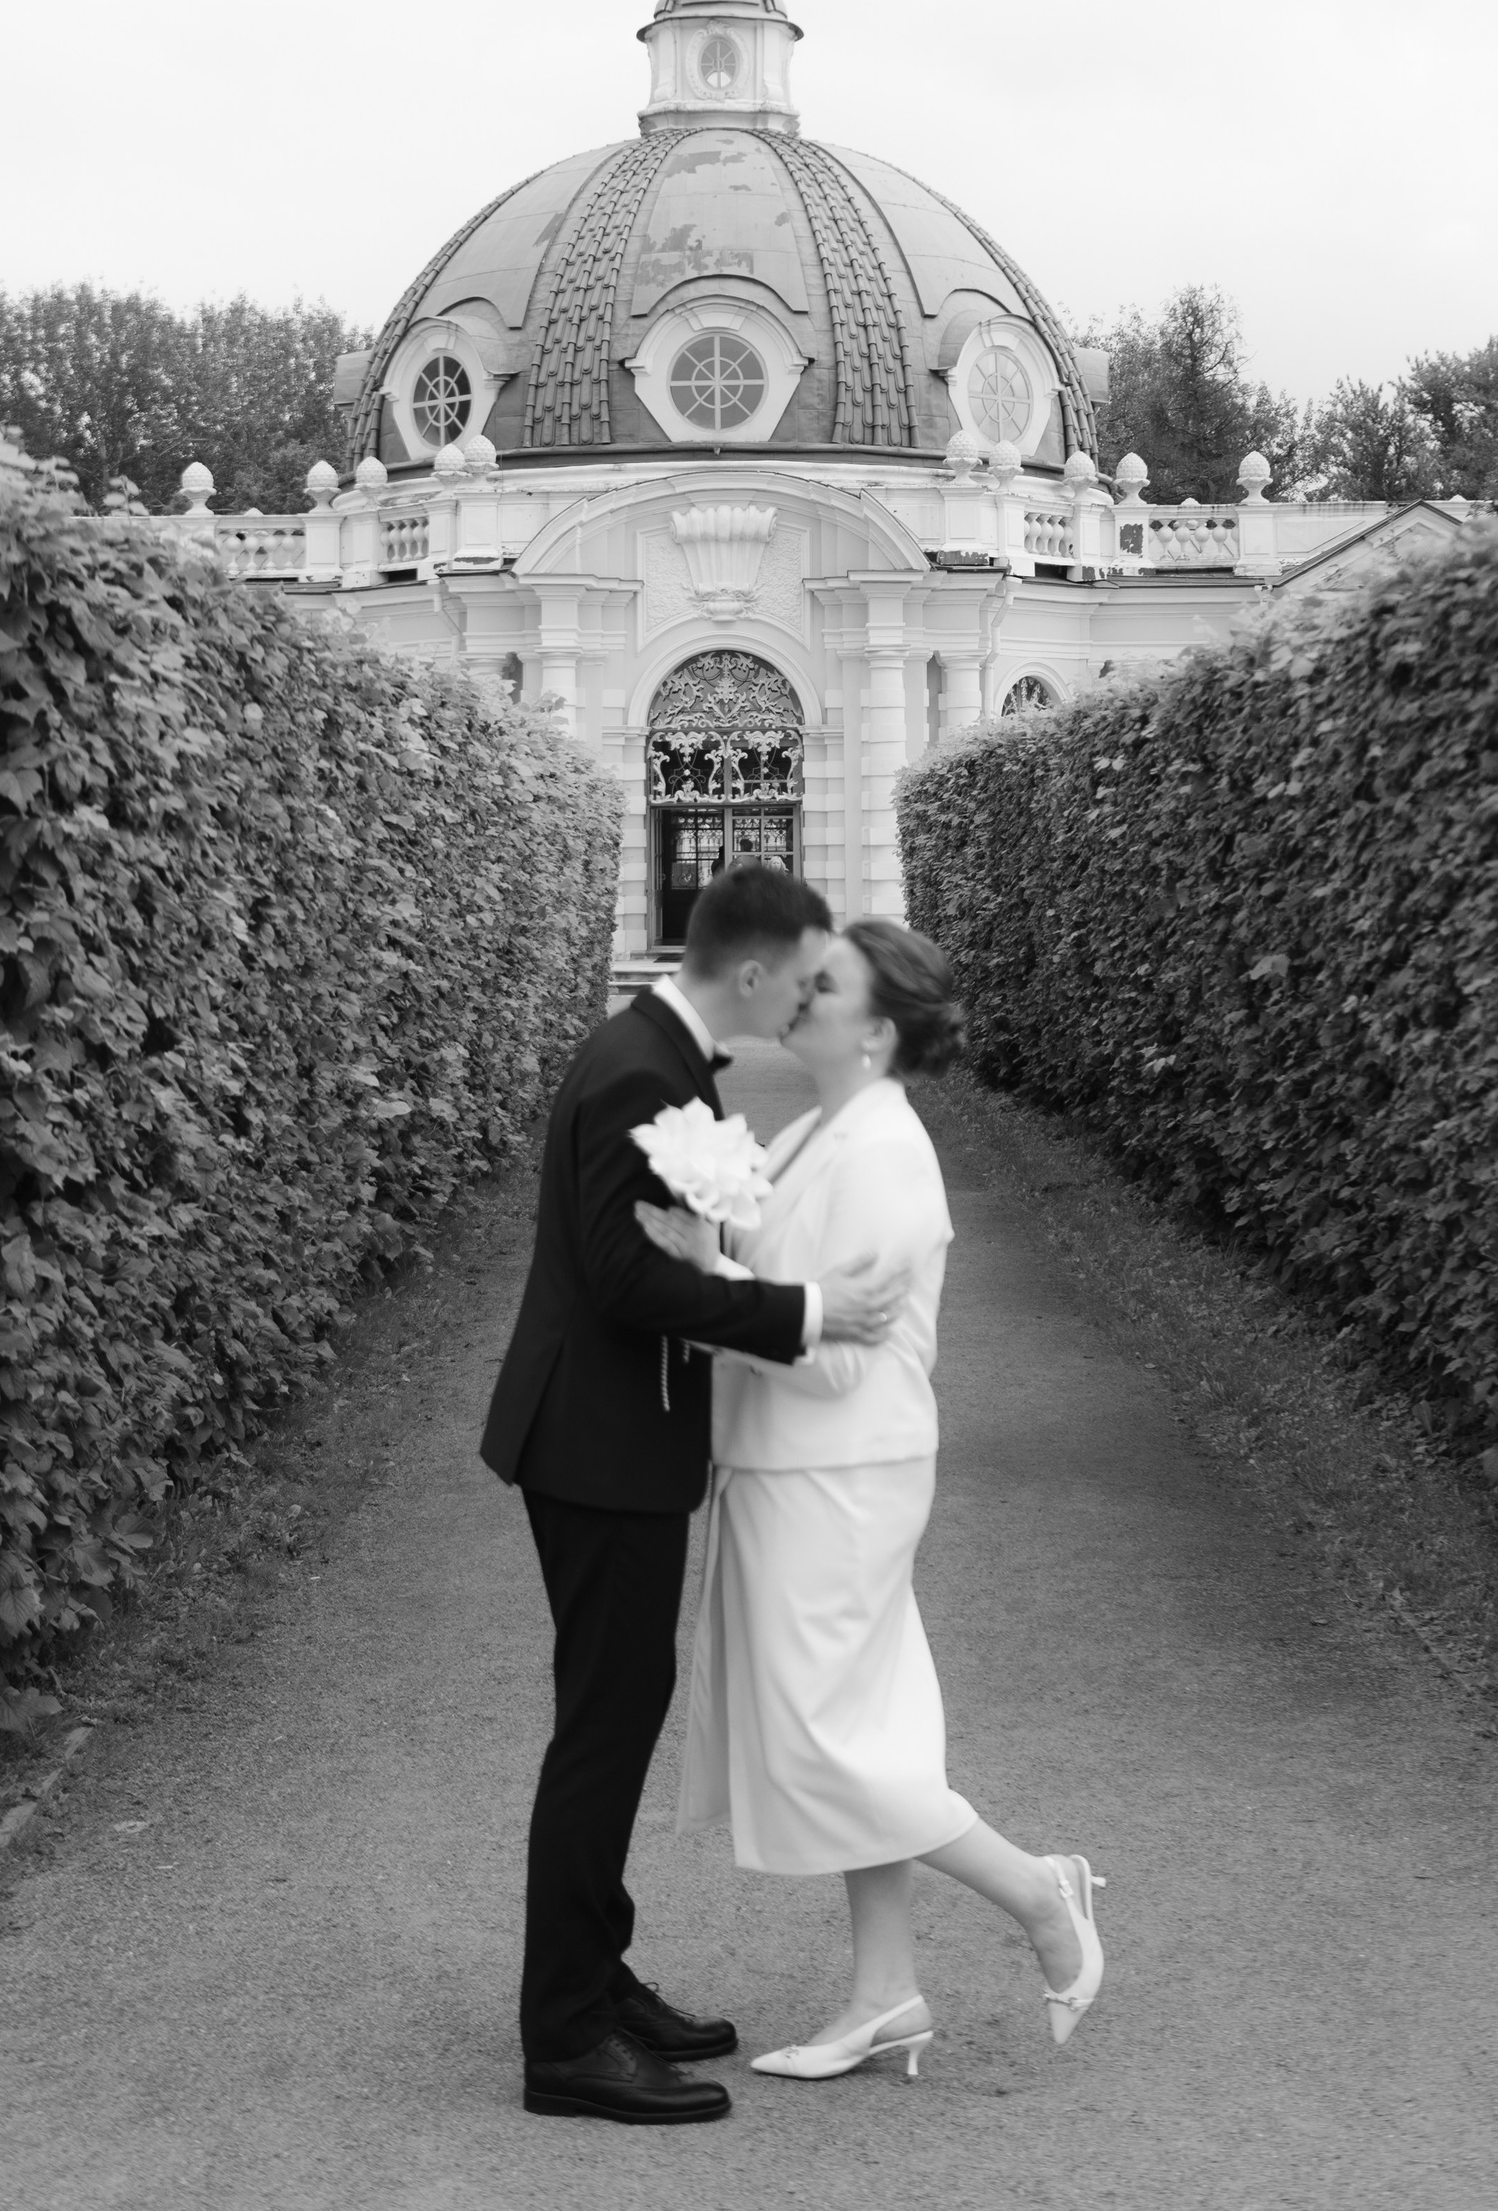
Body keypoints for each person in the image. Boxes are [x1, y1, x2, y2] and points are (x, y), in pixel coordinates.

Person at [479, 863, 907, 2127]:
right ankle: (566, 2038)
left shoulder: (659, 1055)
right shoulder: (639, 1070)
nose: (807, 1000)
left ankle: (596, 1976)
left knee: (617, 1710)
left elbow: (665, 1250)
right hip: (596, 1447)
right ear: (756, 971)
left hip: (612, 1442)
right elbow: (624, 1280)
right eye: (807, 977)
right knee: (604, 1728)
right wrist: (806, 1312)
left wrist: (726, 1259)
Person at [639, 918, 1105, 2080]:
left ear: (880, 1029)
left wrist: (709, 1272)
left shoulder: (888, 1152)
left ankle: (1037, 1891)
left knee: (827, 1739)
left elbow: (840, 1357)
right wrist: (712, 1224)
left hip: (838, 1474)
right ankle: (884, 1993)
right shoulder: (817, 1130)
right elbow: (781, 1282)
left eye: (830, 983)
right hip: (794, 1465)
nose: (803, 992)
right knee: (866, 1726)